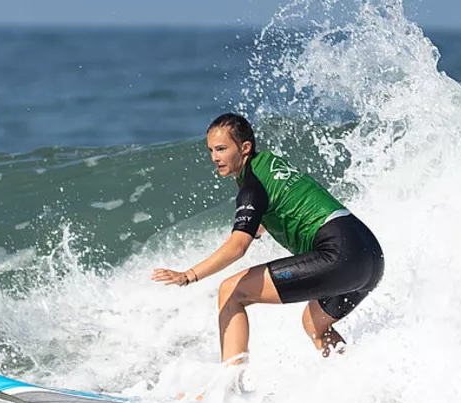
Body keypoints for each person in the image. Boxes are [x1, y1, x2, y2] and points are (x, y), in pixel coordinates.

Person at [152, 113, 384, 365]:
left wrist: (188, 276)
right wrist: (253, 229)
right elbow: (283, 209)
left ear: (245, 148)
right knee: (315, 325)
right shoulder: (271, 164)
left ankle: (229, 388)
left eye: (221, 149)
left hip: (339, 254)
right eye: (211, 150)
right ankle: (356, 385)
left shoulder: (252, 186)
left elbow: (238, 247)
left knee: (232, 291)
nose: (214, 157)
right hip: (369, 255)